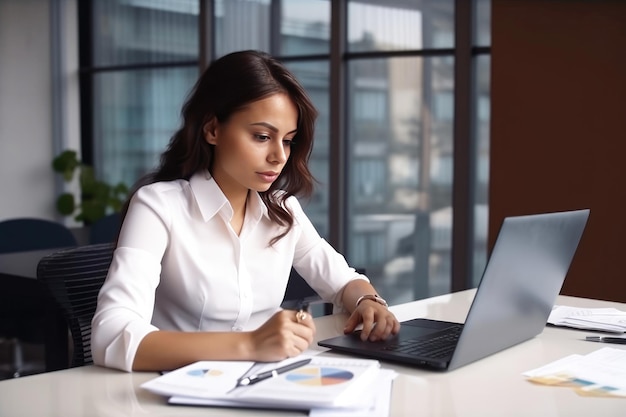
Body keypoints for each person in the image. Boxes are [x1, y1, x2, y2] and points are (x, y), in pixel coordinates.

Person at [91, 50, 400, 372]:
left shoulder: (283, 211)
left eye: (289, 141)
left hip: (265, 382)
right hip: (176, 389)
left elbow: (342, 283)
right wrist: (250, 344)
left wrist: (368, 302)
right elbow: (110, 336)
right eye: (262, 137)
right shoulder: (158, 206)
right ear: (212, 130)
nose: (279, 156)